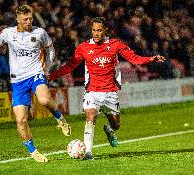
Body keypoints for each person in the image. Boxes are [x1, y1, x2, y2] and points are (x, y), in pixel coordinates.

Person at [48, 17, 165, 160]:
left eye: (99, 30)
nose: (96, 33)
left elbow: (134, 58)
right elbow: (70, 65)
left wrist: (151, 59)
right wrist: (52, 76)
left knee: (116, 125)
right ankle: (89, 153)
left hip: (110, 92)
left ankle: (109, 130)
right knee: (90, 117)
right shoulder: (84, 47)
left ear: (105, 30)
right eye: (93, 30)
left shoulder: (115, 44)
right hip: (92, 91)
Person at [0, 5, 71, 163]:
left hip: (36, 74)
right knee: (21, 120)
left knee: (44, 100)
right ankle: (34, 152)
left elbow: (50, 50)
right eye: (25, 19)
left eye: (30, 18)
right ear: (17, 19)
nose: (29, 22)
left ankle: (60, 119)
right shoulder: (8, 33)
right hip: (17, 81)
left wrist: (47, 69)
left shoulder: (40, 32)